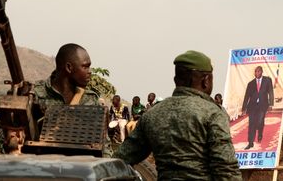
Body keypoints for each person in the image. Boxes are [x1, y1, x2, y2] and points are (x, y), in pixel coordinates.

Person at [113, 50, 242, 180]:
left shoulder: (152, 114)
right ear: (206, 81)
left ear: (176, 79)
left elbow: (120, 159)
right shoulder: (213, 113)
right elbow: (227, 171)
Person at [241, 65, 274, 150]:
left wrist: (271, 104)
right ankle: (250, 142)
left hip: (263, 106)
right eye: (255, 71)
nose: (257, 73)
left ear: (262, 72)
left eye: (258, 71)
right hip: (252, 107)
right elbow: (246, 96)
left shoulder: (267, 80)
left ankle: (260, 133)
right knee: (251, 124)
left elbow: (270, 92)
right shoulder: (250, 83)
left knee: (260, 122)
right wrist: (244, 108)